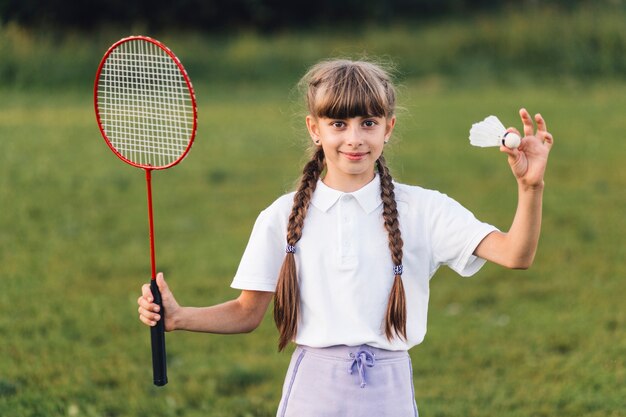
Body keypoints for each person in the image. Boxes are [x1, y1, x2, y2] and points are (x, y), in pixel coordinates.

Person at [137, 59, 553, 416]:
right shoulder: (280, 217)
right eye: (339, 124)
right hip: (312, 392)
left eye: (368, 123)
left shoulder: (425, 209)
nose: (354, 138)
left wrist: (530, 188)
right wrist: (178, 317)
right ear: (314, 129)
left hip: (389, 392)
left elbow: (516, 254)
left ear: (389, 128)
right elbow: (248, 313)